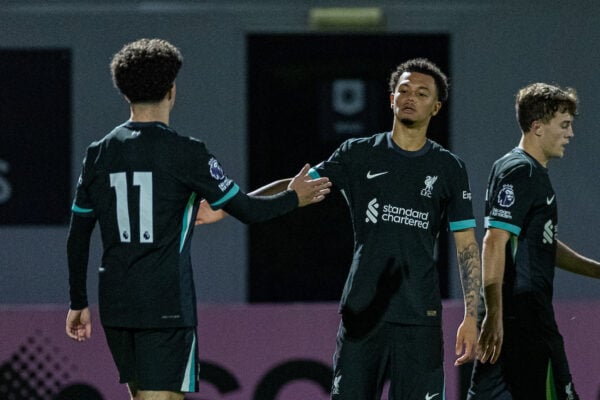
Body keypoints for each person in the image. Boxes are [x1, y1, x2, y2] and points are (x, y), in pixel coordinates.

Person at [65, 38, 331, 400]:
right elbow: (249, 211)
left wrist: (78, 301)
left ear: (124, 93)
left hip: (117, 303)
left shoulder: (98, 154)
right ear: (172, 90)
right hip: (165, 306)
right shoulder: (187, 153)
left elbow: (78, 234)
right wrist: (294, 198)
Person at [203, 58, 482, 399]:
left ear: (436, 107)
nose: (410, 97)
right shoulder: (358, 154)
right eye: (403, 90)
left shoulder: (449, 168)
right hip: (363, 313)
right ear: (391, 99)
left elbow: (466, 244)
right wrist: (232, 205)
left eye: (422, 93)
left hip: (418, 316)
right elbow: (297, 185)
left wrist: (472, 315)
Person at [467, 83, 600, 400]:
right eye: (564, 125)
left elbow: (543, 243)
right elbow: (494, 241)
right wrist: (494, 315)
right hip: (526, 319)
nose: (570, 134)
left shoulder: (521, 169)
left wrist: (597, 271)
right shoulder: (521, 171)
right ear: (538, 127)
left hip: (509, 320)